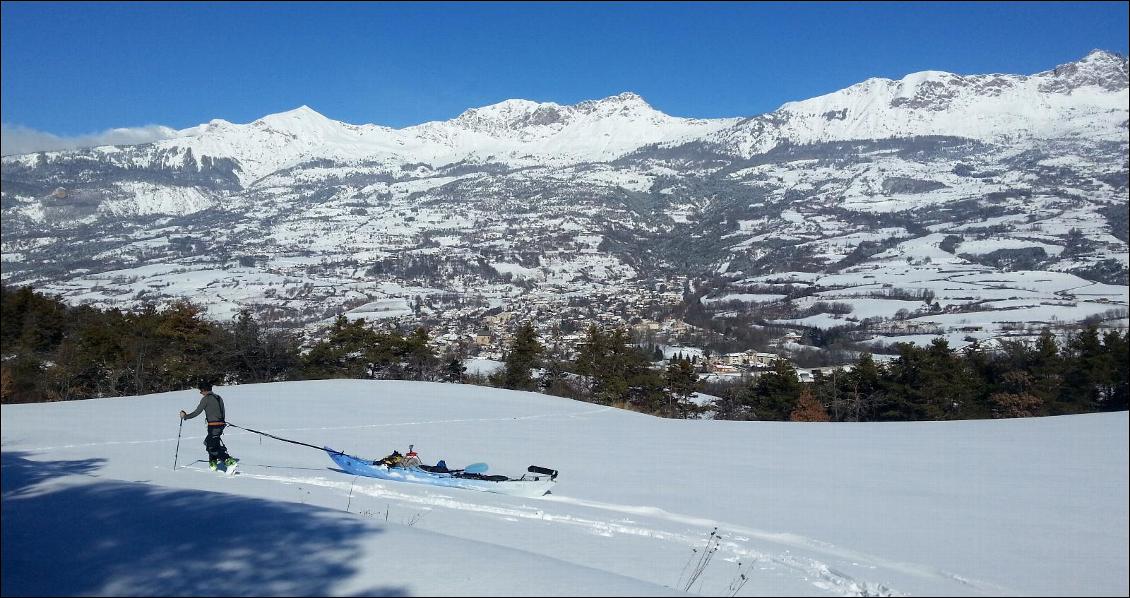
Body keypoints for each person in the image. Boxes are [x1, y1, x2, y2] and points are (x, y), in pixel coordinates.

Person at [180, 381, 237, 471]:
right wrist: (221, 423)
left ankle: (229, 461)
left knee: (211, 447)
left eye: (200, 391)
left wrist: (185, 416)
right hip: (220, 425)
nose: (200, 393)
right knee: (210, 443)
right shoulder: (218, 397)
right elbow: (223, 411)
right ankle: (213, 463)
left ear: (204, 390)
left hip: (214, 426)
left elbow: (197, 412)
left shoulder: (206, 399)